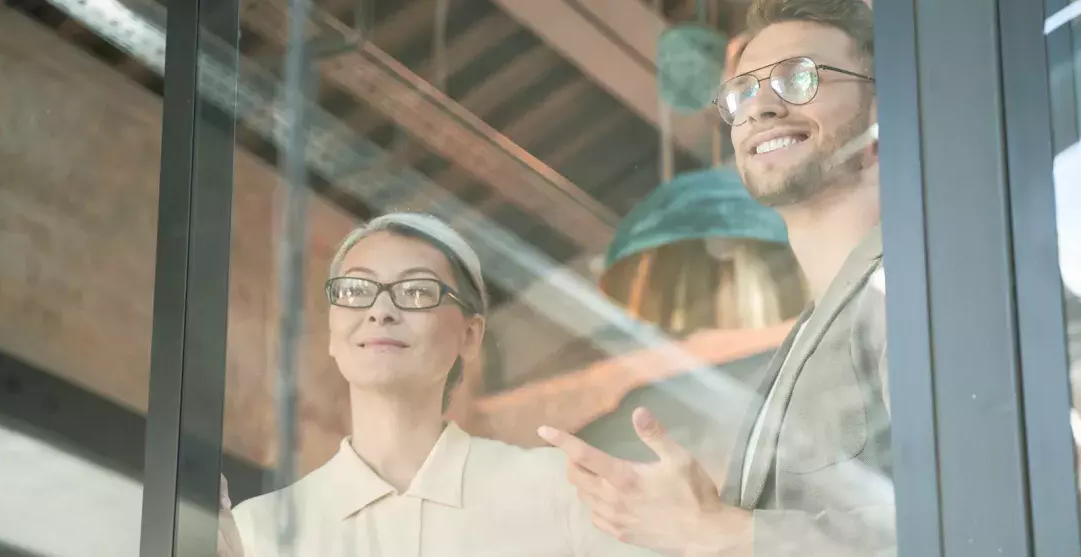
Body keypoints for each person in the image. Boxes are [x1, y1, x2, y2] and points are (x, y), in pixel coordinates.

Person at [537, 0, 895, 555]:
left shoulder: (905, 287)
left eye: (800, 77)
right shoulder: (813, 331)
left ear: (881, 109)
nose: (761, 107)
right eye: (743, 92)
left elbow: (979, 516)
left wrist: (714, 530)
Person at [218, 212, 658, 557]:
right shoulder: (259, 528)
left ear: (470, 335)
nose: (380, 311)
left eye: (416, 291)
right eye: (356, 290)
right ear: (333, 331)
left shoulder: (561, 489)